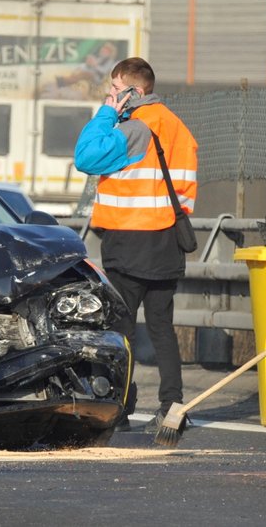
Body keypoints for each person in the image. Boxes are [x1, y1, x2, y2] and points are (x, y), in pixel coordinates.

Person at [73, 57, 198, 431]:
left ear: (134, 91)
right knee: (162, 327)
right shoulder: (180, 129)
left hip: (129, 241)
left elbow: (86, 157)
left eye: (114, 90)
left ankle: (122, 407)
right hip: (167, 241)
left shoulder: (136, 128)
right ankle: (173, 406)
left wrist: (105, 114)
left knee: (121, 329)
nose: (110, 97)